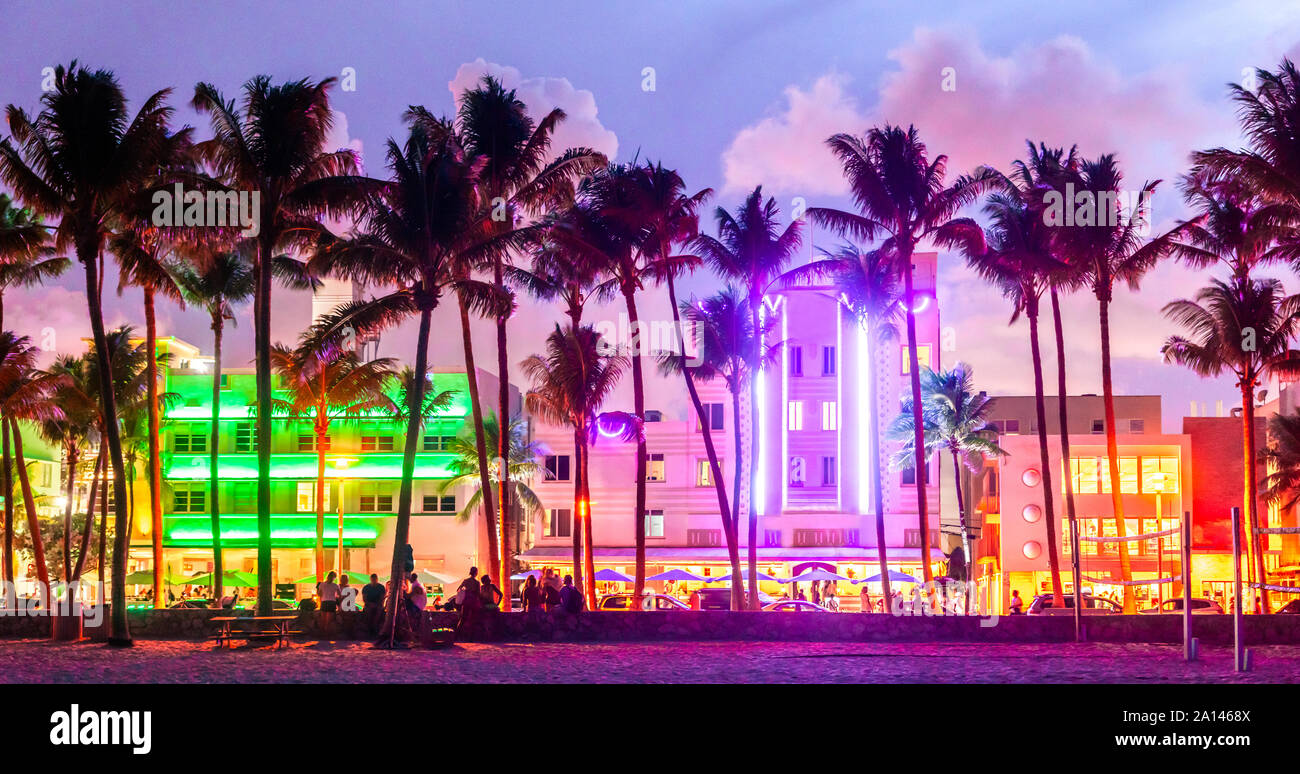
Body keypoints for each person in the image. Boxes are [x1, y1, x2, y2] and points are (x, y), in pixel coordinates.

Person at [456, 567, 482, 638]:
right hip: (473, 602)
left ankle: (456, 636)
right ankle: (471, 637)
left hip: (466, 601)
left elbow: (458, 589)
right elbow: (478, 594)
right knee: (473, 620)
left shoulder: (466, 581)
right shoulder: (477, 583)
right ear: (476, 573)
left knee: (463, 619)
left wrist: (466, 591)